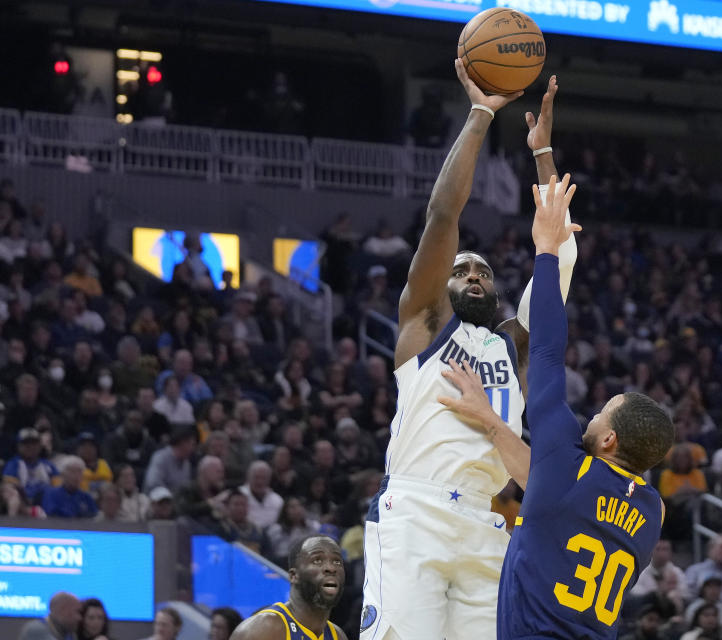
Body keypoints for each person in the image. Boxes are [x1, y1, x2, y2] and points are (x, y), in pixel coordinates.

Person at [359, 68, 578, 640]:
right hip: (415, 514)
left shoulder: (515, 346)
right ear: (444, 286)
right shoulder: (423, 323)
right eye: (461, 270)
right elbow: (443, 217)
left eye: (483, 270)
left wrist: (543, 153)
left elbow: (560, 252)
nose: (473, 274)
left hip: (485, 520)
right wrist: (481, 115)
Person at [441, 174, 673, 638]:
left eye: (602, 412)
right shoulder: (654, 511)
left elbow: (546, 348)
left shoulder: (568, 467)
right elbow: (547, 488)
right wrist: (490, 421)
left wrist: (546, 250)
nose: (591, 415)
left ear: (609, 439)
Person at [230, 535, 347, 640]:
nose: (331, 568)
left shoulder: (338, 635)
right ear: (293, 576)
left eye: (337, 562)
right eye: (317, 560)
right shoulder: (263, 629)